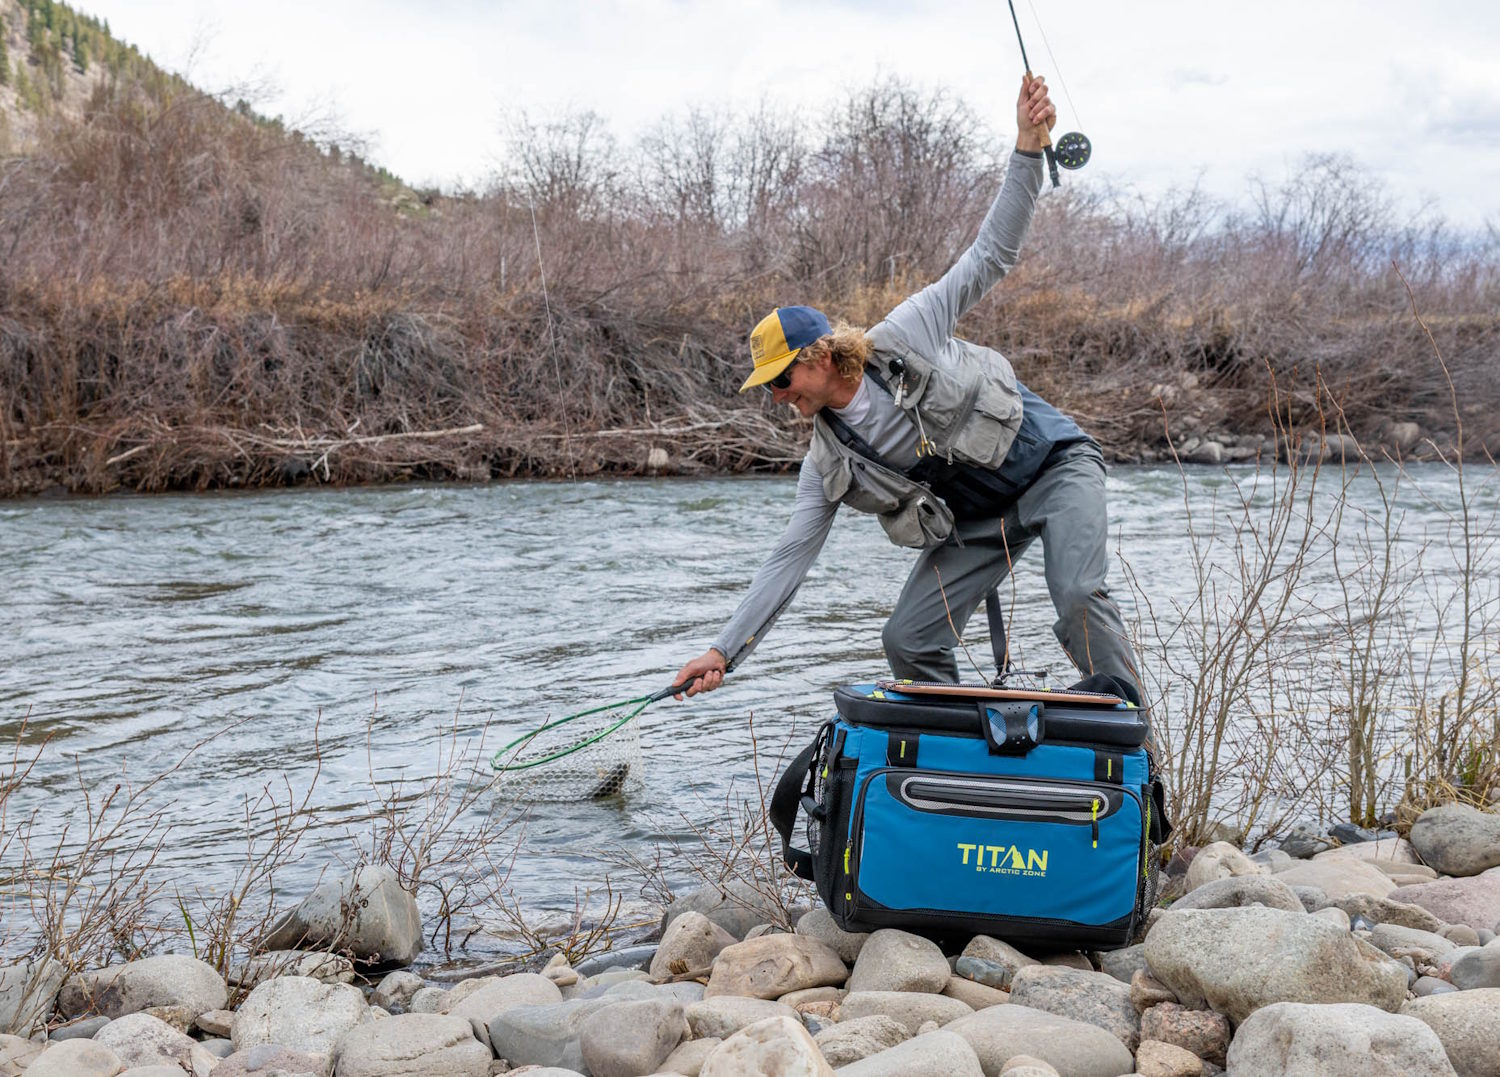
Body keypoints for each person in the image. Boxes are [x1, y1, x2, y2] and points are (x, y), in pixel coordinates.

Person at [673, 75, 1142, 705]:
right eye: (768, 388)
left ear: (819, 357)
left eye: (782, 379)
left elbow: (991, 255)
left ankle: (1135, 755)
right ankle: (961, 757)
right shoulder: (826, 461)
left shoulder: (907, 333)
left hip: (1054, 467)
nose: (778, 396)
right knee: (909, 640)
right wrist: (724, 650)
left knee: (1080, 597)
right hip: (981, 520)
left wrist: (1028, 149)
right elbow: (789, 560)